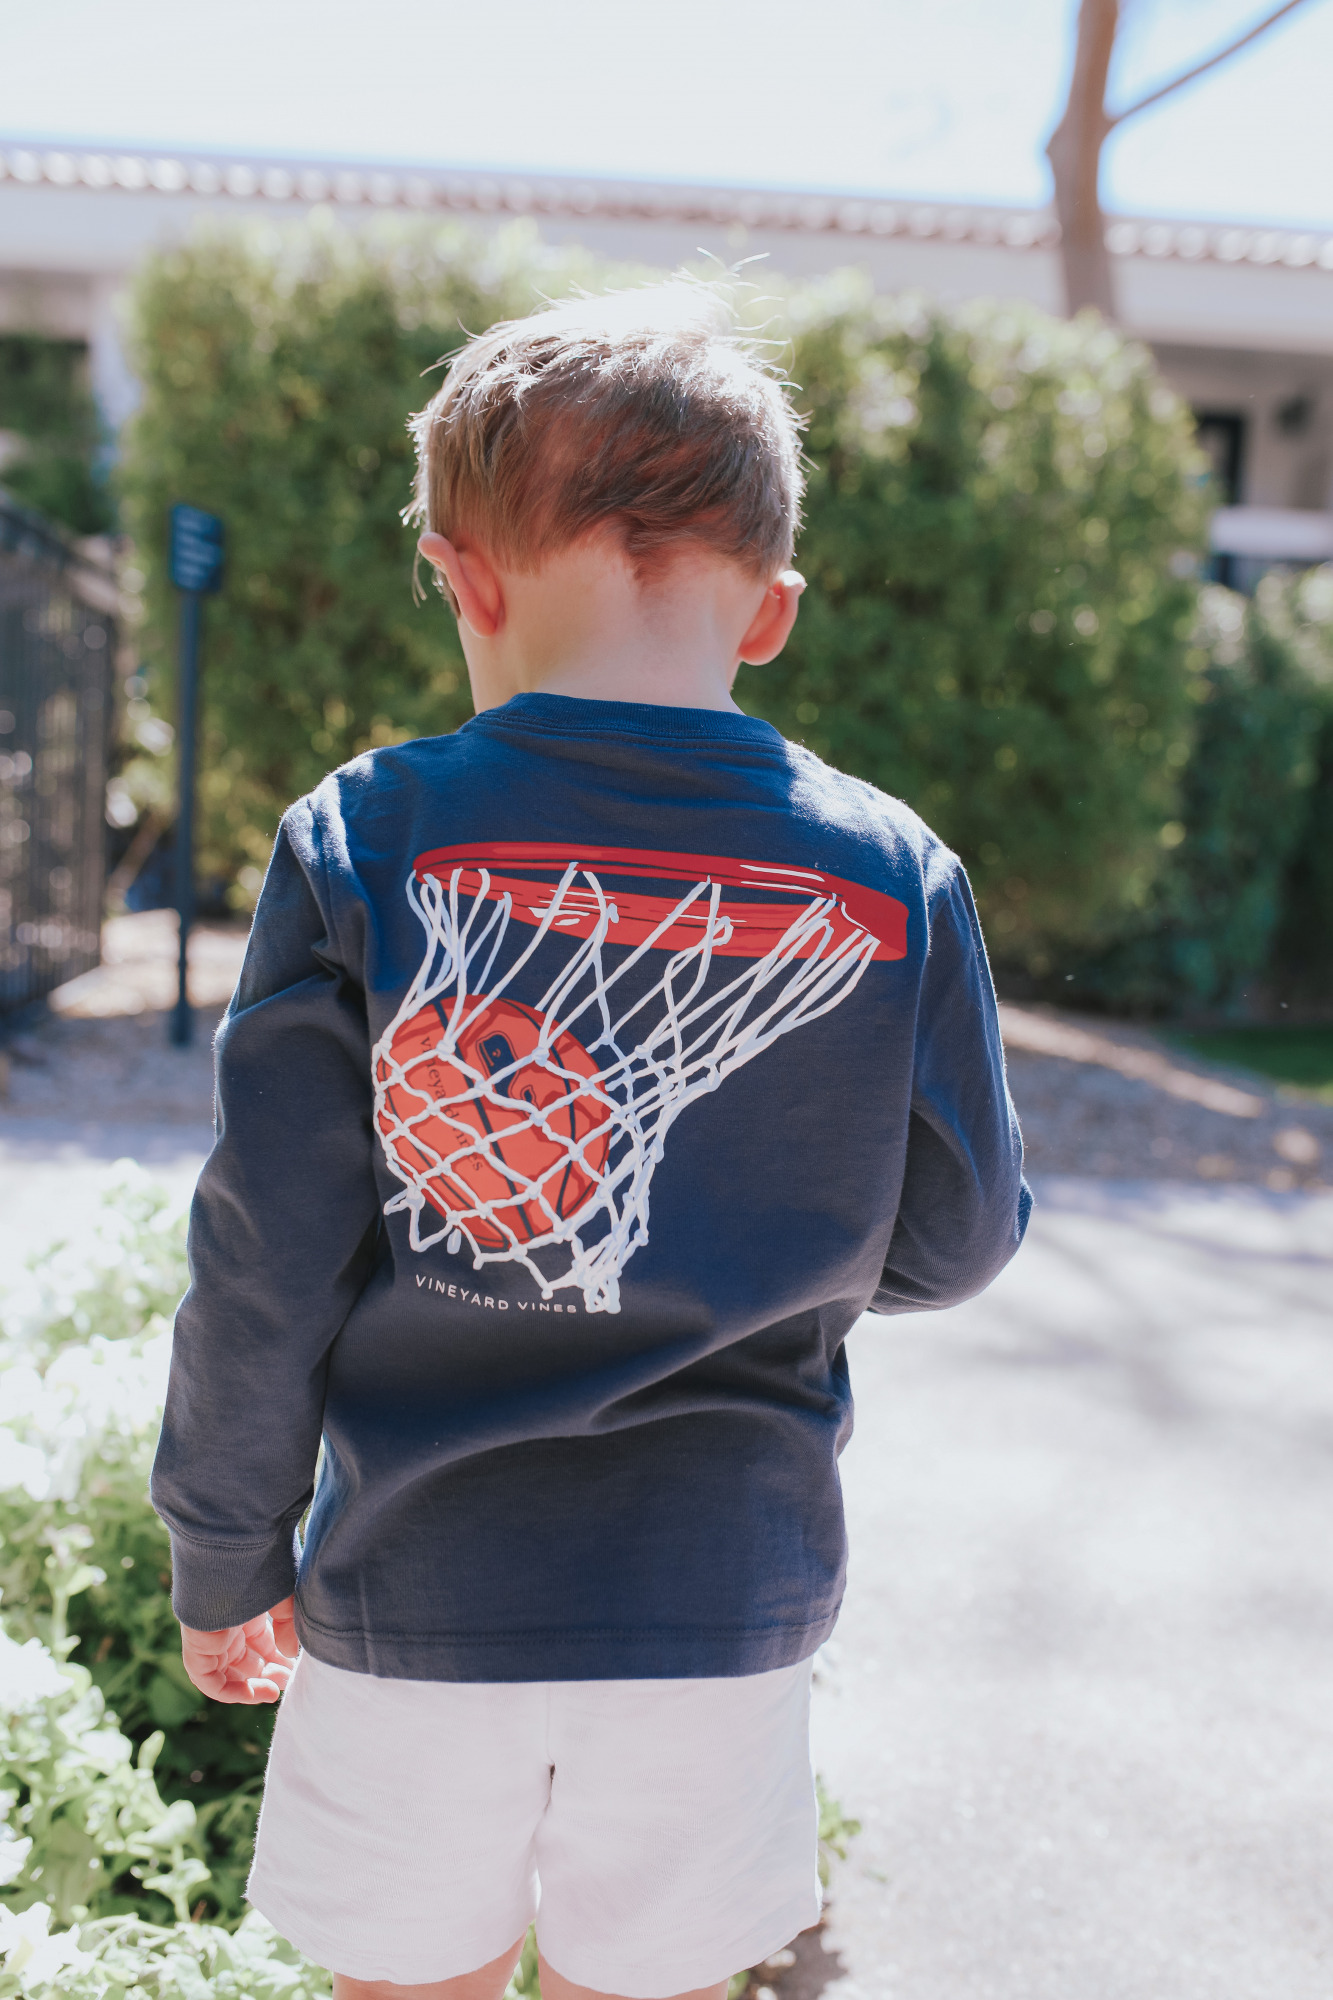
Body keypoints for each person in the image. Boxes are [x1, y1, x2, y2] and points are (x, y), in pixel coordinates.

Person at [152, 281, 1031, 2000]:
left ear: (462, 577)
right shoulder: (890, 872)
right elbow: (958, 1237)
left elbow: (266, 1256)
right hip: (721, 1601)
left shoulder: (366, 836)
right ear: (769, 612)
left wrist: (223, 1542)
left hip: (414, 1590)